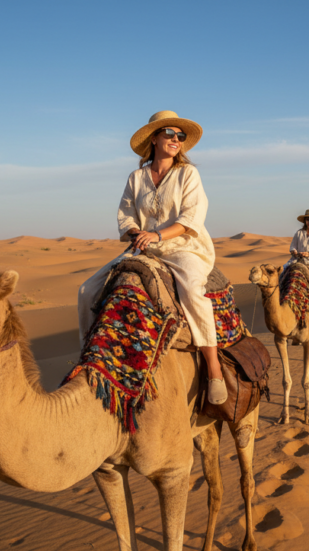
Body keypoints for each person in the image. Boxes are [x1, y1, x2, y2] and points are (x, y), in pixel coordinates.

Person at [77, 111, 227, 404]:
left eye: (180, 136)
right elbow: (126, 214)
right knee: (87, 290)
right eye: (169, 133)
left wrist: (158, 235)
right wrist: (136, 233)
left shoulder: (188, 174)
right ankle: (89, 356)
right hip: (143, 248)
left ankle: (214, 368)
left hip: (184, 248)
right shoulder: (137, 177)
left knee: (194, 291)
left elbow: (191, 217)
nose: (175, 139)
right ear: (155, 138)